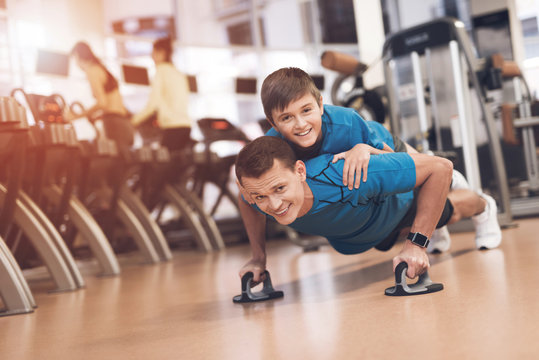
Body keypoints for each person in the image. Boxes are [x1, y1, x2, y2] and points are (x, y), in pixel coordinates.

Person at [237, 67, 500, 261]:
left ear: (320, 104)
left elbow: (388, 158)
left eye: (306, 111)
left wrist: (363, 148)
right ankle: (435, 221)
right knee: (393, 219)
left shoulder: (346, 123)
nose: (300, 124)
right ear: (272, 123)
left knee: (417, 175)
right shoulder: (274, 149)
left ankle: (458, 187)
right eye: (286, 118)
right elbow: (249, 194)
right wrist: (258, 256)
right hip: (362, 196)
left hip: (381, 145)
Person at [235, 136, 499, 281]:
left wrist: (417, 244)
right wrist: (258, 257)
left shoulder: (343, 173)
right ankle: (432, 221)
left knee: (448, 211)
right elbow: (245, 201)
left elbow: (440, 166)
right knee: (391, 240)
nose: (274, 205)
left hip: (399, 203)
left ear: (300, 172)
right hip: (370, 228)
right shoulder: (256, 193)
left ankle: (484, 204)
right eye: (259, 196)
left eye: (280, 189)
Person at [69, 41, 134, 152]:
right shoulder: (101, 68)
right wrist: (95, 116)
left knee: (120, 164)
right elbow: (111, 104)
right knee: (125, 164)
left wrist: (76, 116)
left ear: (79, 56)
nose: (76, 64)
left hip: (115, 124)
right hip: (125, 123)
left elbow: (102, 103)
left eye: (75, 59)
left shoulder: (91, 70)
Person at [131, 37, 193, 152]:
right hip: (186, 126)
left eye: (154, 53)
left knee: (165, 166)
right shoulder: (178, 73)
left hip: (172, 127)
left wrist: (134, 121)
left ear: (162, 53)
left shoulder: (161, 71)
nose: (152, 57)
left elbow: (153, 103)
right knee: (179, 166)